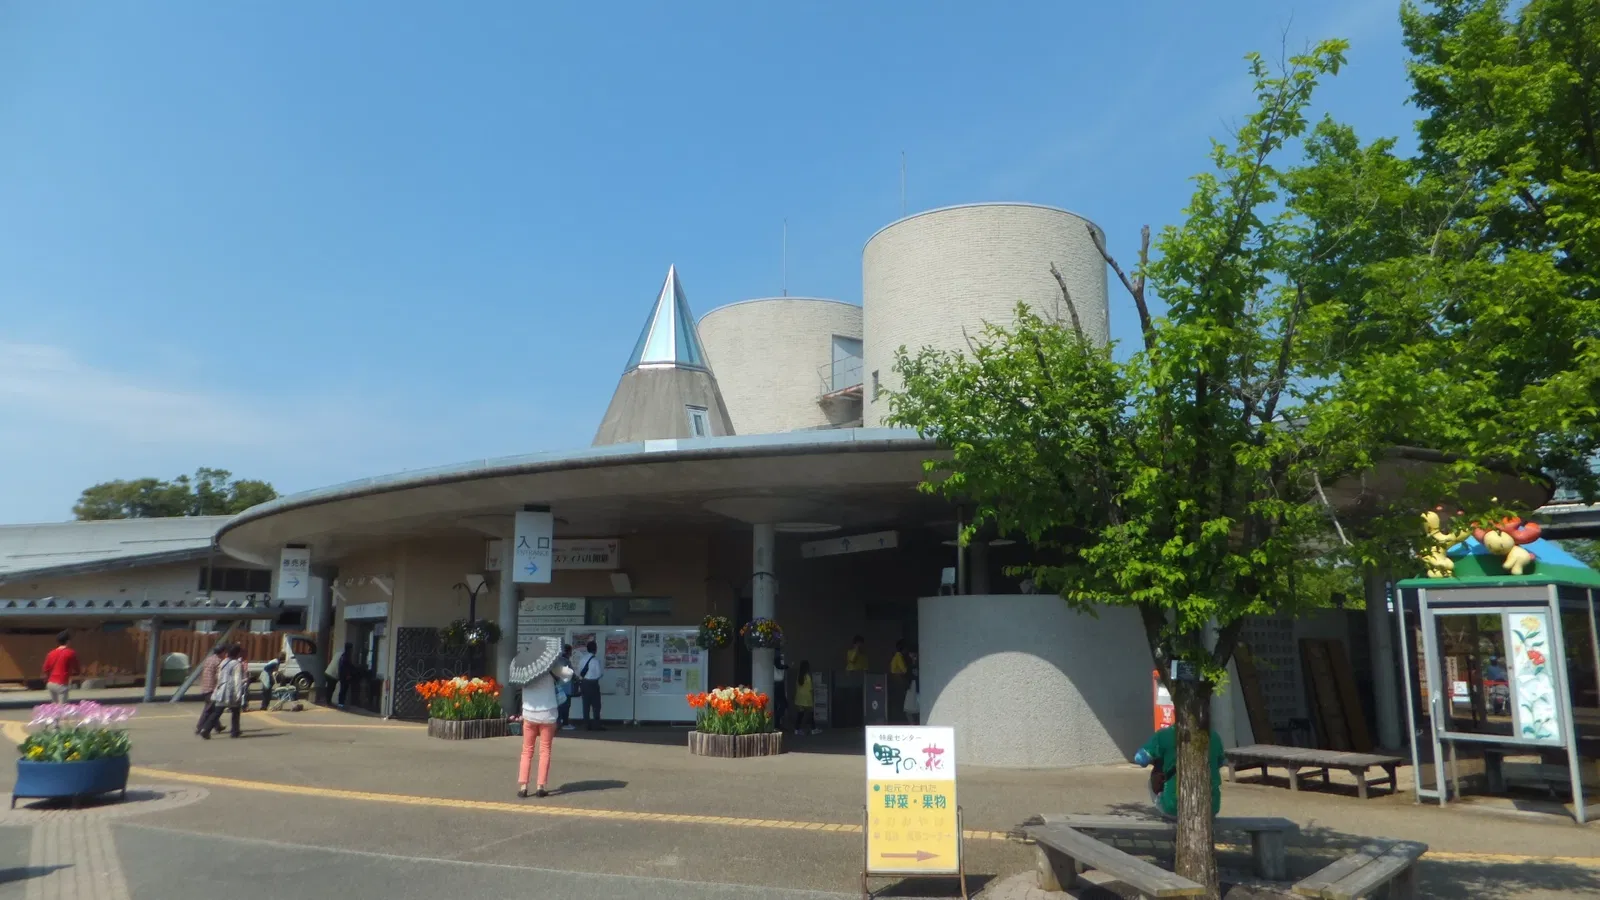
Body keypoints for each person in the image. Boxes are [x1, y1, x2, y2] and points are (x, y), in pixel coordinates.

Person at [515, 642, 573, 799]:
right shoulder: (550, 666)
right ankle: (540, 786)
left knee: (527, 750)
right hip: (548, 714)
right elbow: (568, 674)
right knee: (545, 750)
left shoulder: (524, 669)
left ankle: (523, 786)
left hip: (529, 714)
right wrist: (558, 664)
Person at [1134, 723, 1226, 818]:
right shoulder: (1214, 736)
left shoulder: (1164, 735)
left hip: (1175, 808)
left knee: (1154, 777)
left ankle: (1165, 805)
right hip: (1210, 809)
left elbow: (1140, 759)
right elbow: (1220, 763)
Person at [200, 645, 247, 739]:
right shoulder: (236, 664)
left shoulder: (223, 662)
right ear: (237, 654)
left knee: (217, 712)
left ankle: (206, 729)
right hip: (231, 691)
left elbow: (219, 676)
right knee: (235, 712)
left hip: (221, 690)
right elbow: (237, 680)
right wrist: (238, 694)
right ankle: (235, 731)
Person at [42, 631, 81, 704]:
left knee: (54, 706)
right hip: (61, 683)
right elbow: (77, 668)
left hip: (51, 683)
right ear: (68, 641)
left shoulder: (51, 653)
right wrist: (76, 673)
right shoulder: (70, 653)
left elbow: (45, 668)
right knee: (62, 708)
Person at [195, 646, 226, 735]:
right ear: (221, 652)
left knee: (212, 708)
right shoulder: (219, 661)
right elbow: (218, 676)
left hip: (205, 686)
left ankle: (217, 726)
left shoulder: (209, 659)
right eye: (224, 652)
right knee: (209, 709)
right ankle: (200, 727)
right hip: (212, 688)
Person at [575, 640, 605, 730]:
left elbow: (579, 672)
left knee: (586, 704)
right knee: (596, 705)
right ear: (595, 649)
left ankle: (586, 724)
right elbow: (599, 674)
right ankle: (596, 725)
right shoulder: (595, 660)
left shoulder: (582, 659)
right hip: (593, 684)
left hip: (584, 683)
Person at [793, 660, 819, 735]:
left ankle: (797, 729)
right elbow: (810, 688)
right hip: (807, 698)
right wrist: (813, 696)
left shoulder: (799, 676)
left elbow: (796, 687)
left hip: (799, 698)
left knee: (800, 714)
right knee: (810, 714)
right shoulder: (807, 676)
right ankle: (813, 729)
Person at [888, 640, 910, 723]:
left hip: (895, 679)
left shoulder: (895, 656)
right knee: (902, 699)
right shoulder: (899, 656)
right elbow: (904, 670)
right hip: (898, 679)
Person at [556, 644, 576, 731]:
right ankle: (565, 723)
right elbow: (571, 674)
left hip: (559, 687)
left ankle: (558, 722)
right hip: (566, 687)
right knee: (566, 706)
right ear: (568, 652)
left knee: (559, 706)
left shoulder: (558, 660)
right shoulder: (566, 662)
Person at [772, 646, 790, 731]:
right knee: (782, 704)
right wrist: (786, 666)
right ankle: (777, 723)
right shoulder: (776, 655)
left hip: (778, 683)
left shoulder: (777, 655)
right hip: (778, 683)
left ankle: (777, 723)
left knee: (778, 704)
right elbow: (778, 665)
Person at [336, 642, 357, 709]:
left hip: (343, 676)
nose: (352, 650)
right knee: (343, 690)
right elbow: (345, 667)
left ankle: (341, 703)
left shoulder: (344, 655)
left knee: (343, 690)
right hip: (344, 676)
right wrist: (348, 674)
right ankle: (341, 704)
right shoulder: (346, 656)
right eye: (351, 648)